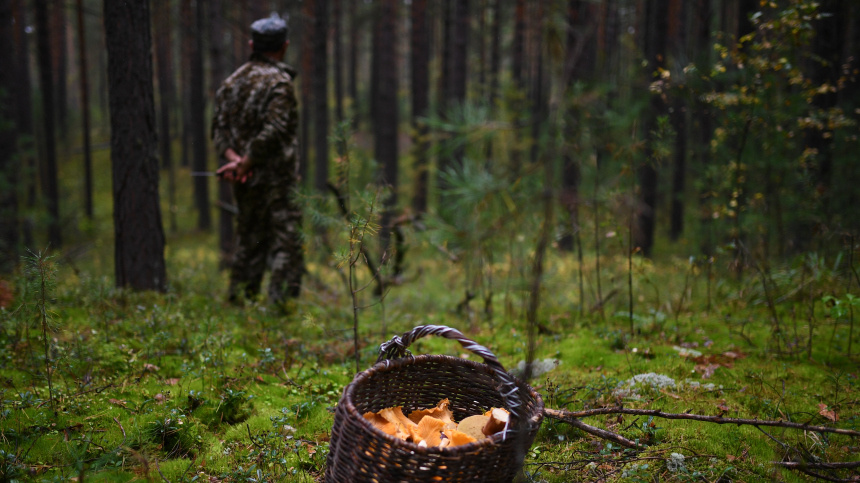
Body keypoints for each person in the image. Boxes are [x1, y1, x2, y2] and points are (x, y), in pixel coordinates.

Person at [212, 13, 303, 307]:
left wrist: (235, 159)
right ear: (284, 46)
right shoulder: (280, 84)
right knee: (286, 241)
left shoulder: (231, 83)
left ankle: (240, 302)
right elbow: (275, 130)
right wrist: (247, 162)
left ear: (252, 44)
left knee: (249, 239)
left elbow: (218, 130)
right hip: (277, 180)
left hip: (245, 178)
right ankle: (280, 308)